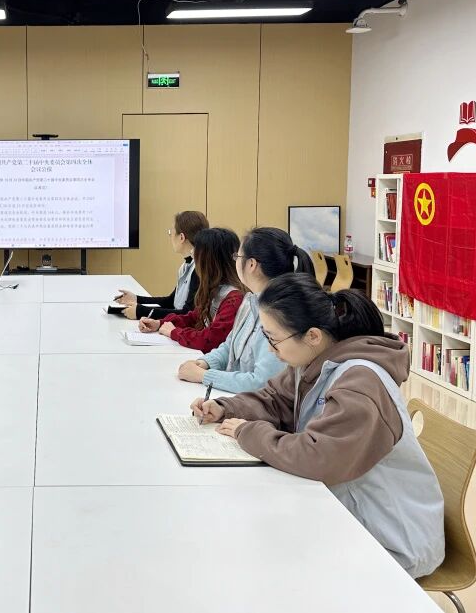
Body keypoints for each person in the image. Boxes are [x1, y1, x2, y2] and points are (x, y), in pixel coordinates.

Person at [191, 274, 445, 578]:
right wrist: (225, 408)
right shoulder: (312, 361)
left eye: (273, 339)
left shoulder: (360, 382)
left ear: (312, 335)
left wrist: (247, 432)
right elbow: (275, 400)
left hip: (391, 536)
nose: (270, 349)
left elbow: (317, 457)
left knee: (260, 556)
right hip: (347, 507)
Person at [176, 227, 312, 392]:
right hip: (234, 398)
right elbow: (229, 345)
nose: (235, 261)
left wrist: (204, 376)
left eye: (237, 257)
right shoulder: (250, 300)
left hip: (251, 402)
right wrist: (205, 363)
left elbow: (261, 383)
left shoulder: (279, 314)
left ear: (251, 264)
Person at [137, 228, 244, 352]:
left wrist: (174, 332)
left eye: (196, 253)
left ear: (209, 261)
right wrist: (160, 323)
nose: (193, 256)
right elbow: (195, 317)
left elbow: (210, 340)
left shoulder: (233, 298)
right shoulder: (215, 289)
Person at [115, 211, 208, 320]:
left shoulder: (199, 269)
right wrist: (136, 299)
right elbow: (171, 301)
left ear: (181, 237)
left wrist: (141, 311)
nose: (170, 236)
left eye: (171, 233)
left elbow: (187, 314)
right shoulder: (187, 266)